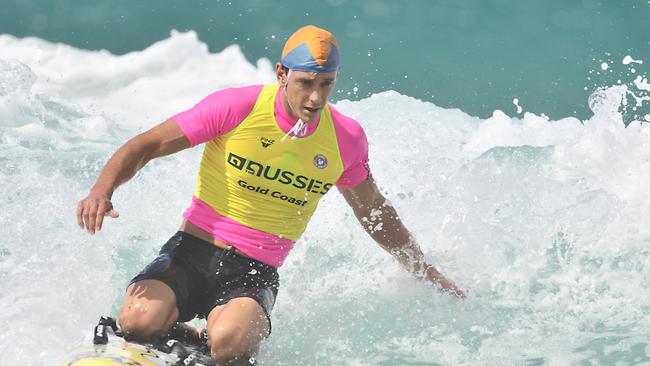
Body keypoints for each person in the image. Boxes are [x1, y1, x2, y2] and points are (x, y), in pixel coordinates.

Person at [76, 25, 464, 365]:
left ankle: (200, 342)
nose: (315, 98)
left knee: (231, 347)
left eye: (326, 84)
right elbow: (147, 144)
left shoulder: (345, 140)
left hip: (253, 271)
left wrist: (420, 267)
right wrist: (102, 190)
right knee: (138, 321)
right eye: (305, 83)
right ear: (282, 74)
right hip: (191, 249)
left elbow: (372, 210)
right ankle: (160, 338)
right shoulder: (239, 107)